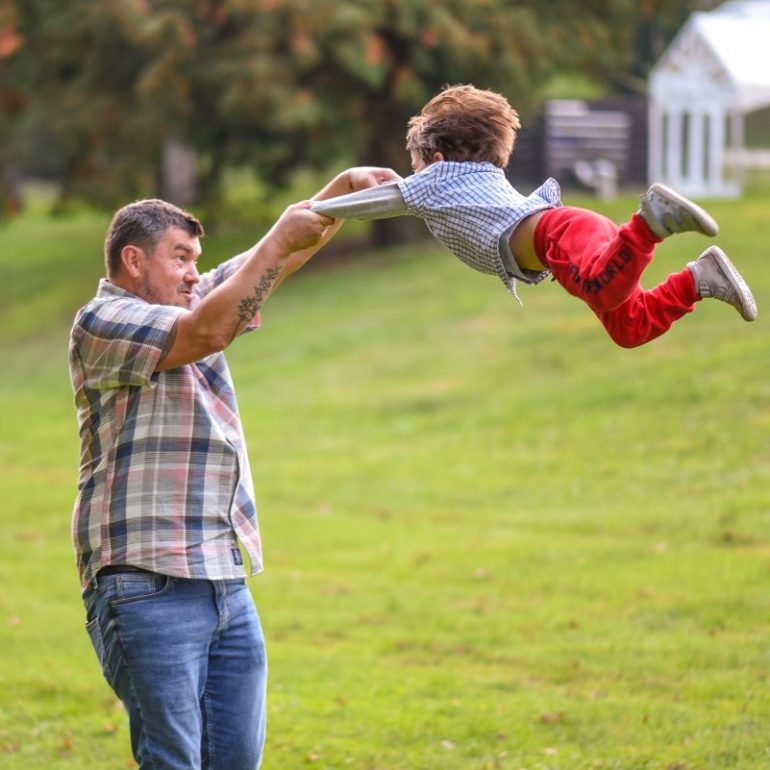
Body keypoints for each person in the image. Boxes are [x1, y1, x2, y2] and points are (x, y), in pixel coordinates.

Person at [68, 165, 399, 770]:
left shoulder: (191, 302)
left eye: (199, 260)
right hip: (146, 579)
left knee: (236, 760)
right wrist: (279, 239)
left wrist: (340, 194)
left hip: (223, 575)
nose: (196, 271)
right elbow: (211, 327)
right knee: (175, 761)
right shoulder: (101, 321)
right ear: (134, 260)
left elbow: (269, 263)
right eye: (182, 257)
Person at [312, 84, 757, 347]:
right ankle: (700, 278)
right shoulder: (468, 172)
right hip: (567, 238)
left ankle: (651, 222)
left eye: (414, 165)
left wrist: (316, 210)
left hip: (556, 235)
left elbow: (379, 203)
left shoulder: (434, 178)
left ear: (437, 156)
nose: (411, 175)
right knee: (628, 325)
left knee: (603, 295)